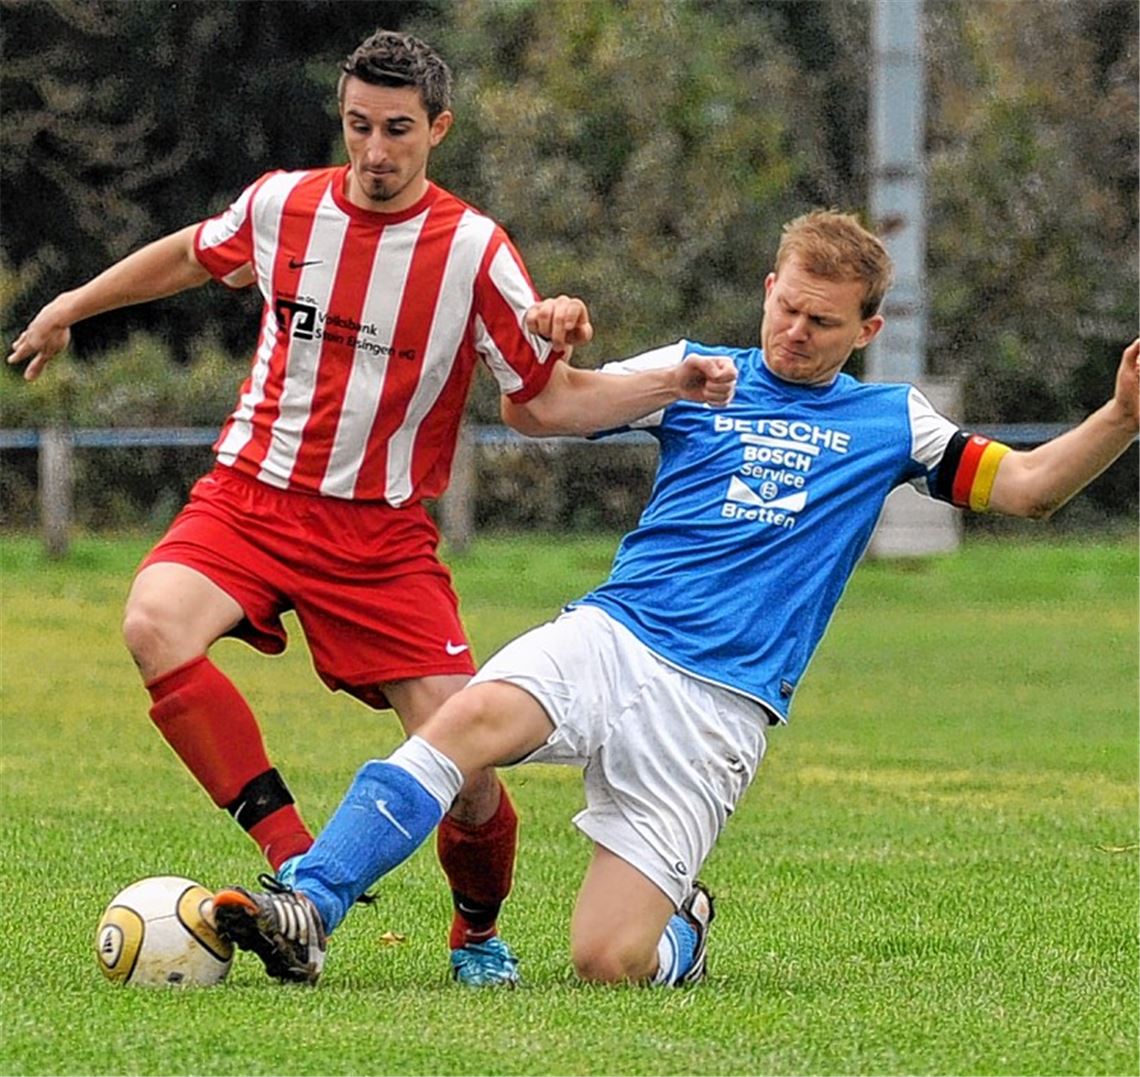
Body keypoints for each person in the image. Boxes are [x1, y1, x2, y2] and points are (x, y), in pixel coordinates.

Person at [209, 208, 1140, 988]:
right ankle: (312, 902)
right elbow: (543, 409)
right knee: (463, 720)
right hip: (617, 633)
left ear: (867, 331)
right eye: (786, 305)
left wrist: (1123, 417)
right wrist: (554, 339)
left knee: (606, 962)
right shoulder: (699, 370)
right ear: (769, 286)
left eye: (823, 321)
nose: (796, 331)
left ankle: (682, 929)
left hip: (718, 706)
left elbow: (1027, 489)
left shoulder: (892, 420)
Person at [5, 30, 736, 987]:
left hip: (381, 537)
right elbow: (192, 253)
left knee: (468, 780)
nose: (375, 151)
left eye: (398, 130)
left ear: (438, 128)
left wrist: (668, 385)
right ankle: (299, 871)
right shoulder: (283, 205)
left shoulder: (475, 252)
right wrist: (72, 304)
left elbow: (541, 403)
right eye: (358, 127)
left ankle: (476, 934)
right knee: (154, 623)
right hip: (251, 497)